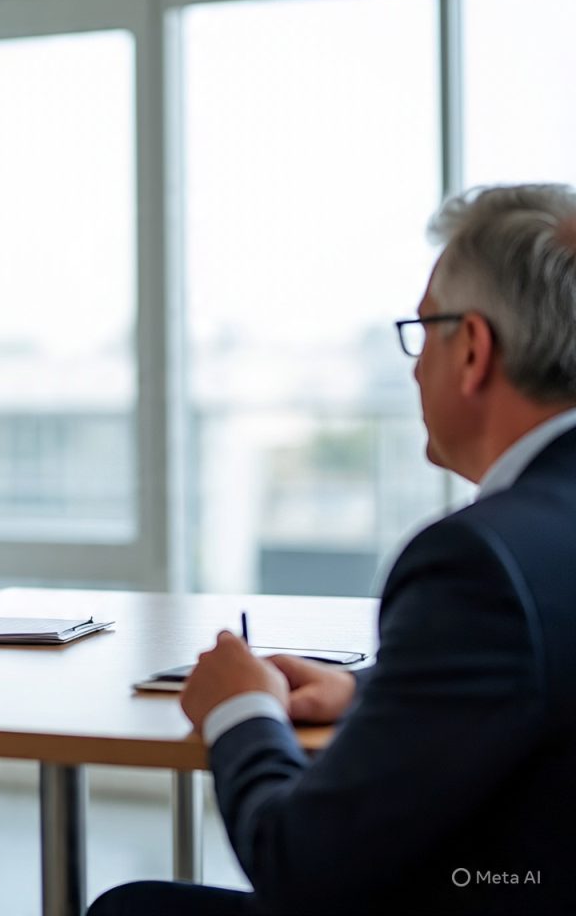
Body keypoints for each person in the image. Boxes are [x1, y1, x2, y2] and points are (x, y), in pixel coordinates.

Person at [89, 183, 576, 916]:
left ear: (472, 348)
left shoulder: (479, 562)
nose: (414, 367)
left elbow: (302, 870)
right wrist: (375, 694)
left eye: (424, 329)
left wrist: (241, 710)